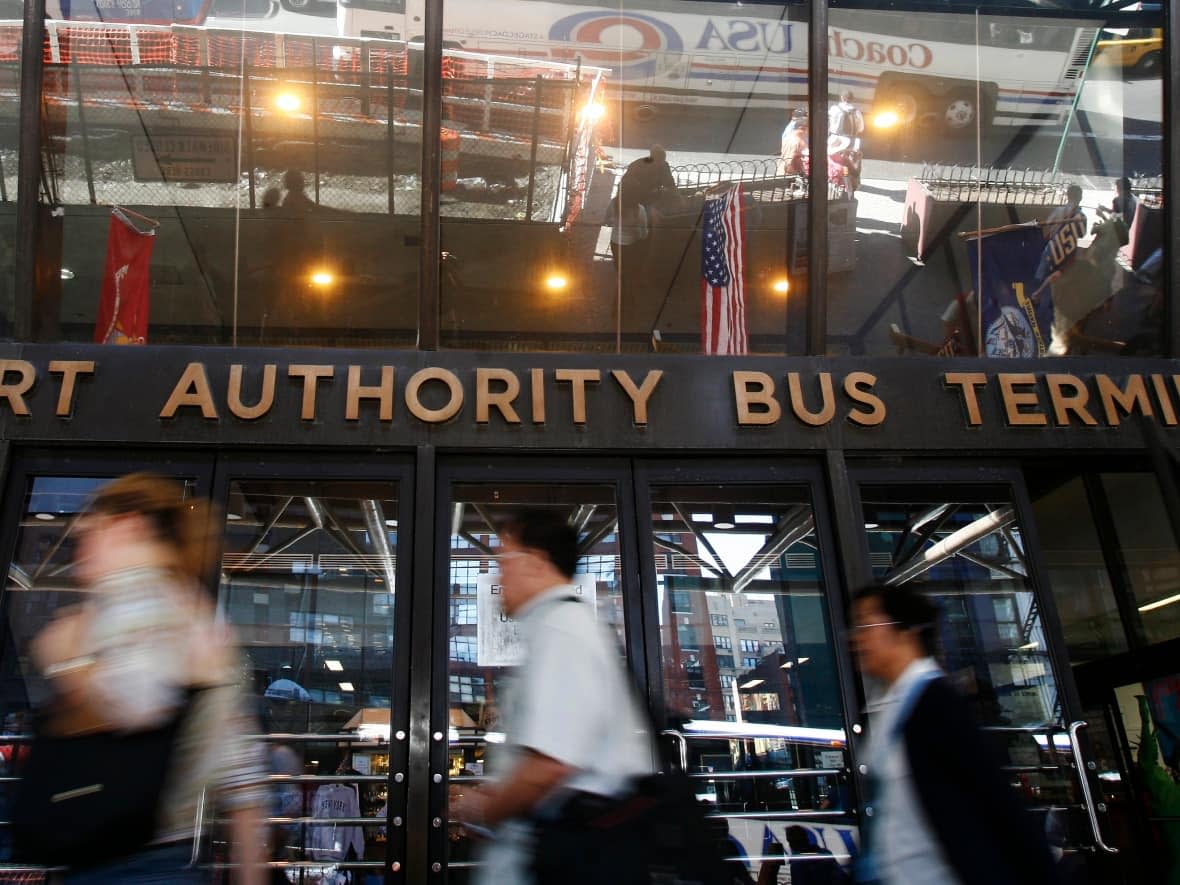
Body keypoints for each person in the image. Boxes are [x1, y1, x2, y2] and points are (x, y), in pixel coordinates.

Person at [30, 473, 267, 884]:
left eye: (92, 531)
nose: (81, 546)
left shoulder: (139, 599)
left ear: (129, 525)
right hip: (174, 862)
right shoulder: (200, 615)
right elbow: (241, 777)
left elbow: (139, 700)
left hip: (121, 863)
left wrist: (65, 663)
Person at [450, 509, 653, 885]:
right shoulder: (558, 626)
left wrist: (488, 808)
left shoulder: (563, 630)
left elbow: (549, 766)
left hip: (574, 855)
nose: (499, 573)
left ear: (535, 562)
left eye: (503, 560)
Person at [849, 582, 1058, 885]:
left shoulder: (937, 704)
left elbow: (999, 807)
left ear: (907, 630)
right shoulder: (887, 709)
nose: (857, 639)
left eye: (867, 625)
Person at [619, 145, 677, 214]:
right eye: (658, 160)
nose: (660, 164)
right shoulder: (638, 165)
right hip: (634, 198)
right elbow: (626, 184)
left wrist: (676, 196)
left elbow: (670, 184)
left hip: (652, 198)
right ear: (651, 158)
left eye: (662, 160)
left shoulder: (664, 165)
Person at [779, 107, 810, 176]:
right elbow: (791, 161)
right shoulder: (796, 140)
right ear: (803, 128)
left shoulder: (791, 134)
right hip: (790, 174)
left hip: (784, 170)